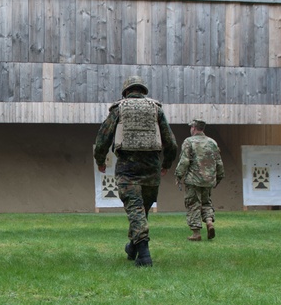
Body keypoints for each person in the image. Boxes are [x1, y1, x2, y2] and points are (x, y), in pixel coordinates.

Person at [94, 76, 178, 267]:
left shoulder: (119, 108)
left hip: (128, 168)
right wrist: (167, 163)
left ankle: (145, 256)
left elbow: (103, 137)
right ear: (143, 91)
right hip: (152, 167)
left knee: (135, 209)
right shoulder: (156, 109)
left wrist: (100, 160)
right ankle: (133, 248)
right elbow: (171, 142)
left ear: (125, 92)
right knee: (141, 211)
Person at [174, 118, 224, 241]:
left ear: (194, 128)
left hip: (193, 179)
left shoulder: (189, 141)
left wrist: (178, 175)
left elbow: (184, 160)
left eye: (191, 127)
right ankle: (209, 221)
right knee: (206, 202)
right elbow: (219, 162)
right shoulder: (212, 142)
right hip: (209, 179)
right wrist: (219, 177)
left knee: (193, 204)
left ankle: (196, 233)